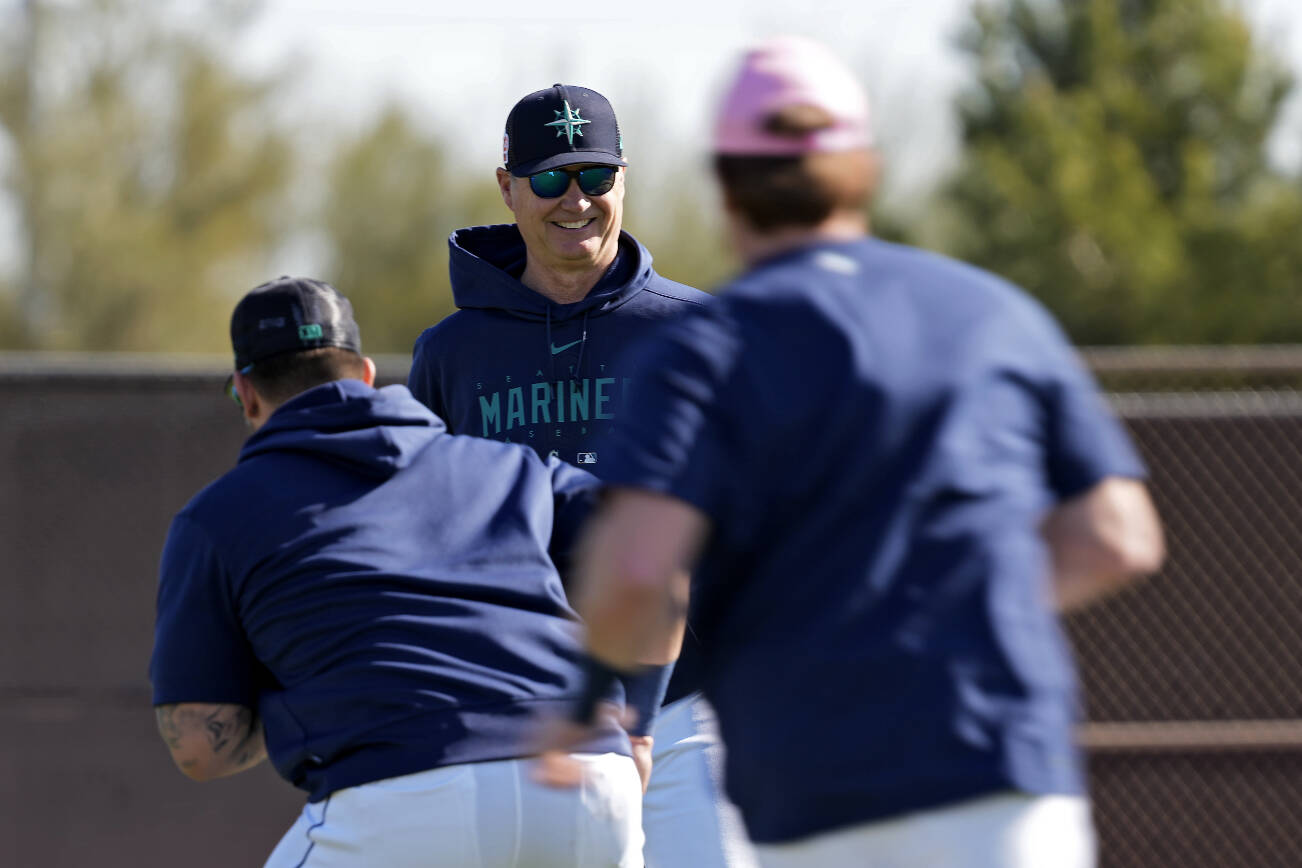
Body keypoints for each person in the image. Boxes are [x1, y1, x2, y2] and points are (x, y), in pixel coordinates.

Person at [558, 37, 1166, 868]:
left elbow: (635, 575)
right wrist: (950, 609)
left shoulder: (701, 351)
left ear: (727, 187)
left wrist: (585, 699)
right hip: (1002, 778)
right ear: (865, 169)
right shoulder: (995, 314)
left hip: (814, 783)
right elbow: (1118, 535)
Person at [149, 277, 644, 867]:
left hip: (407, 799)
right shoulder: (513, 468)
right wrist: (634, 712)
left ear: (245, 394)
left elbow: (201, 748)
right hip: (586, 786)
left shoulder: (217, 517)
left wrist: (308, 703)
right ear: (363, 374)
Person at [408, 85, 755, 867]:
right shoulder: (451, 354)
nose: (577, 200)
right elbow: (431, 537)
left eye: (597, 177)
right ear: (507, 188)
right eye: (551, 179)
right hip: (528, 723)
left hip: (687, 711)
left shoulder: (695, 334)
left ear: (623, 181)